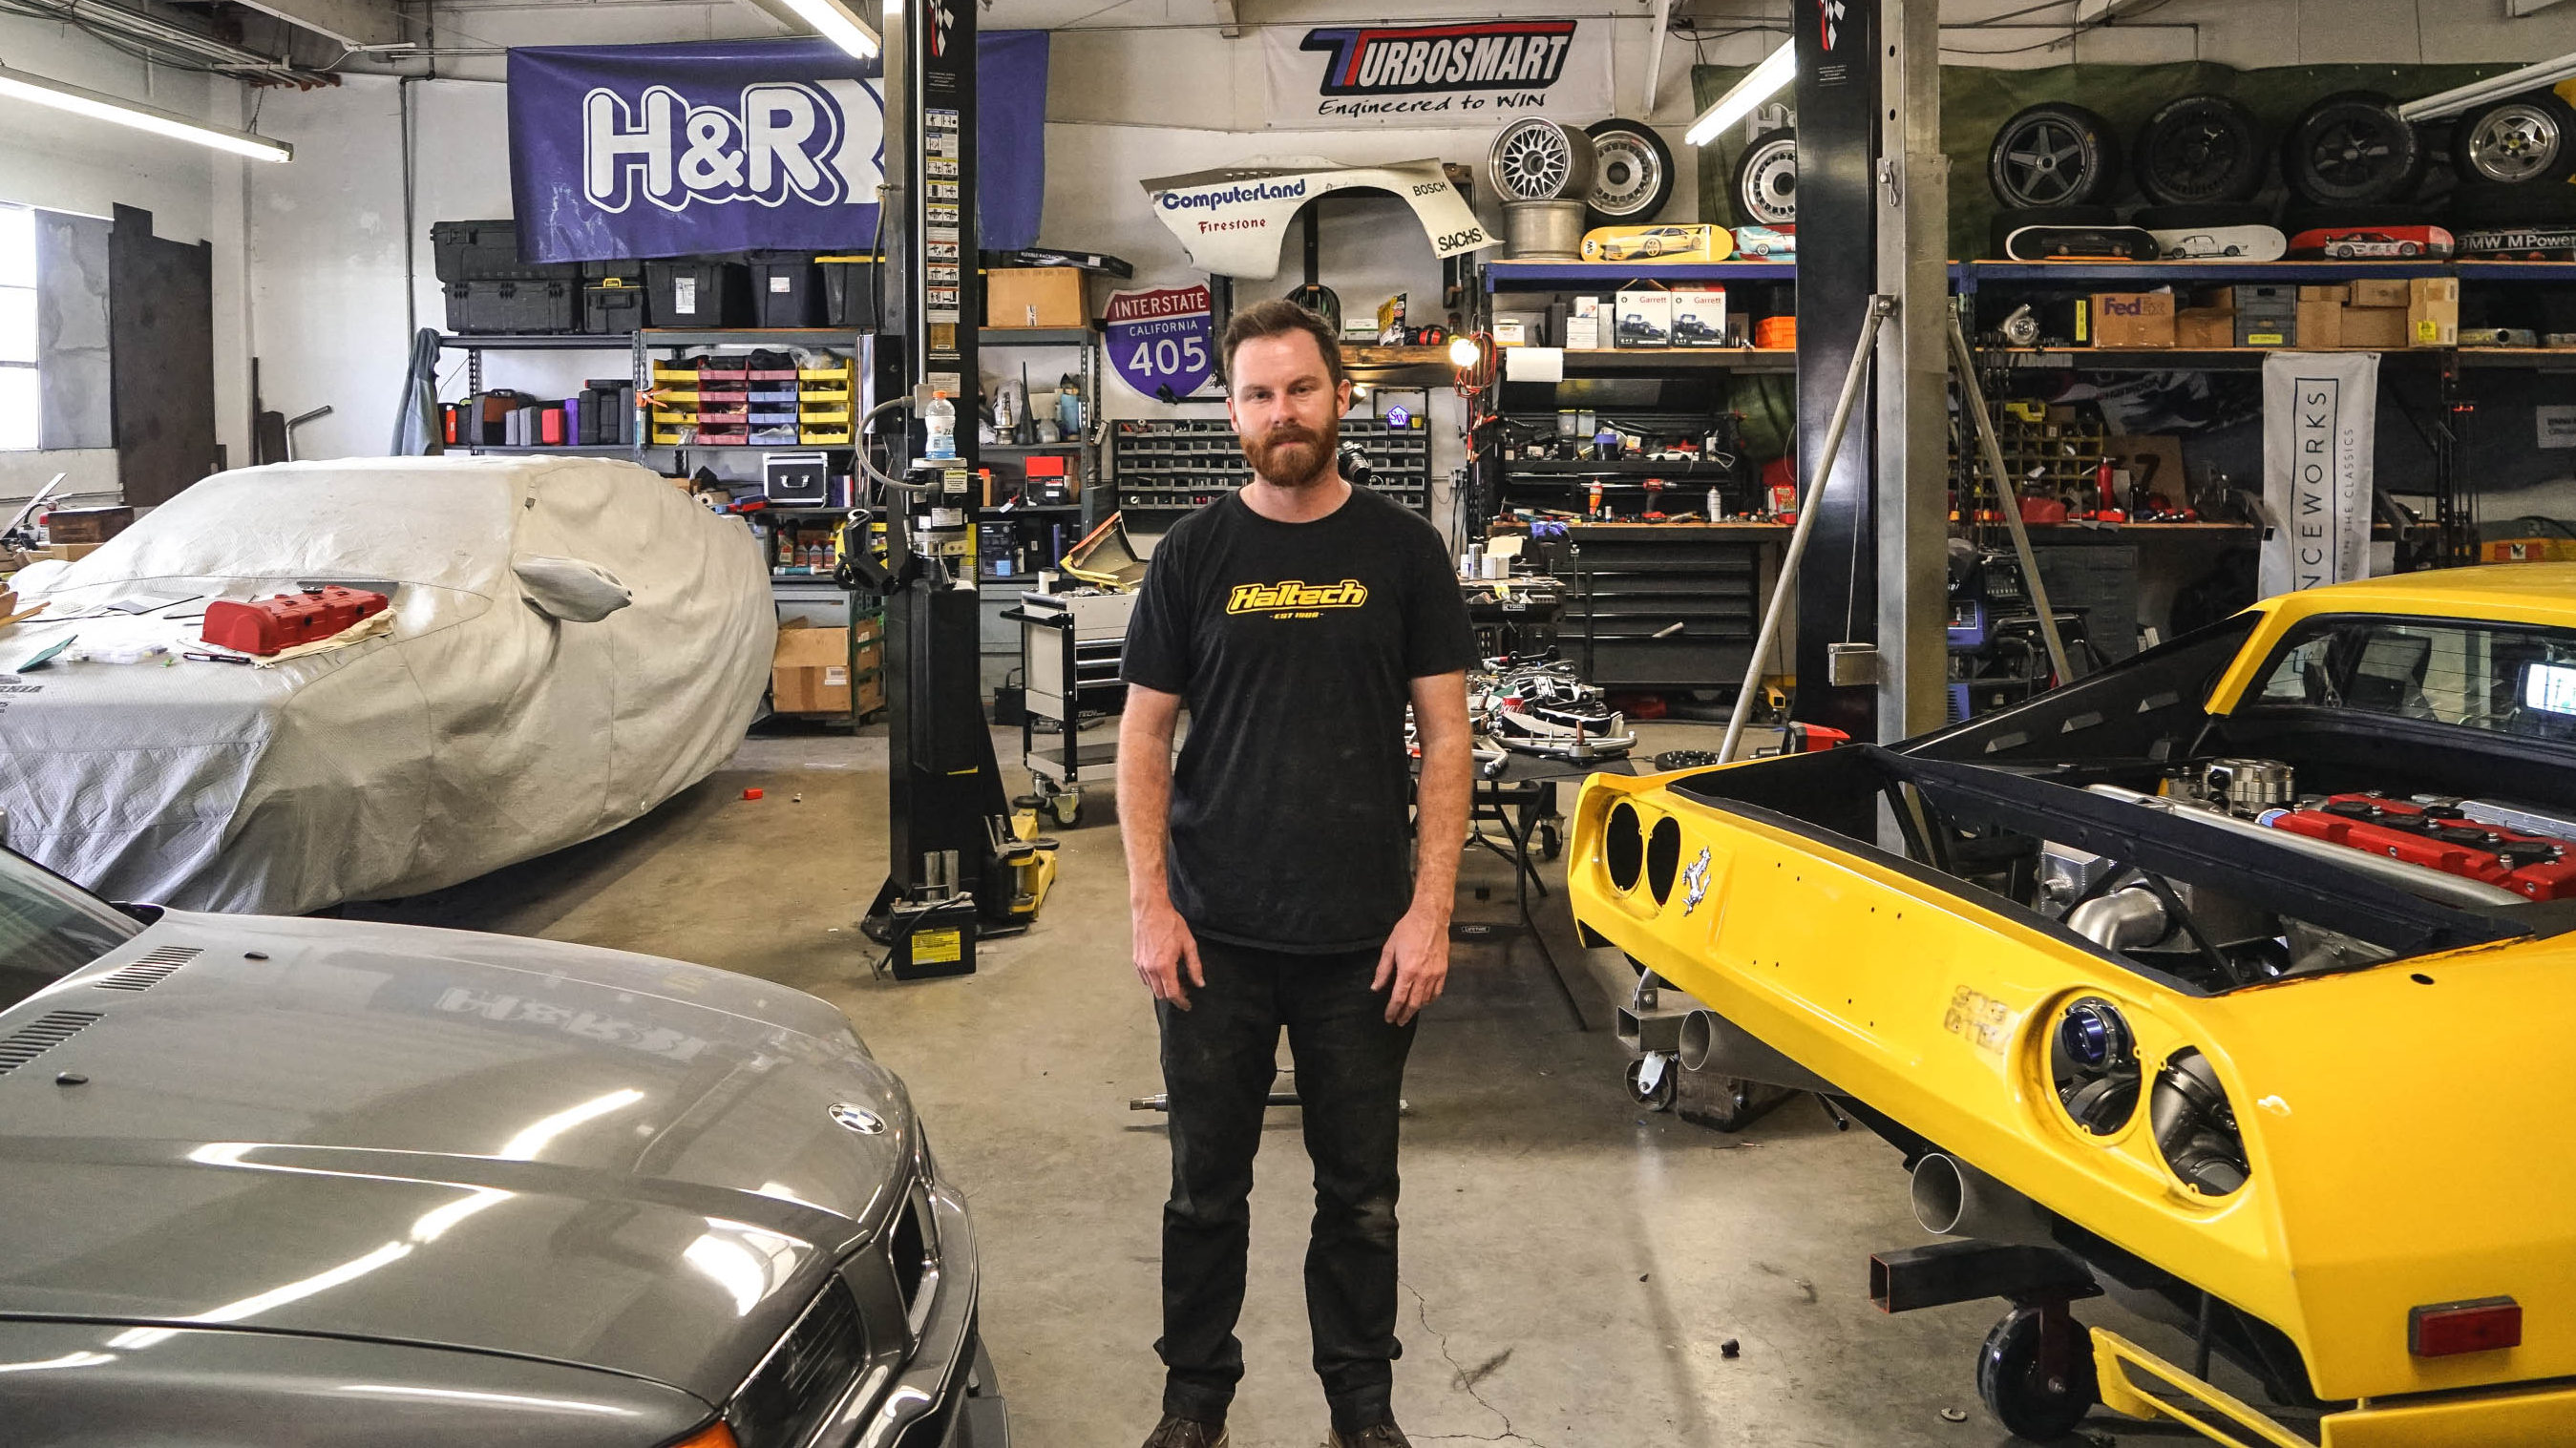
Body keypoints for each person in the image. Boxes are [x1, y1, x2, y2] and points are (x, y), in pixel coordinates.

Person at [1118, 299, 1475, 1448]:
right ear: (1233, 414)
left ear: (1340, 394)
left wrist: (1430, 912)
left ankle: (1359, 1410)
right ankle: (1194, 1403)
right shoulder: (1192, 555)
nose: (1284, 413)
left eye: (1302, 389)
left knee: (1360, 1199)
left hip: (1363, 940)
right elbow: (1141, 739)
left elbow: (1450, 739)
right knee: (1202, 1193)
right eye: (1261, 394)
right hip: (1214, 933)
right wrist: (1149, 904)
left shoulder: (1402, 551)